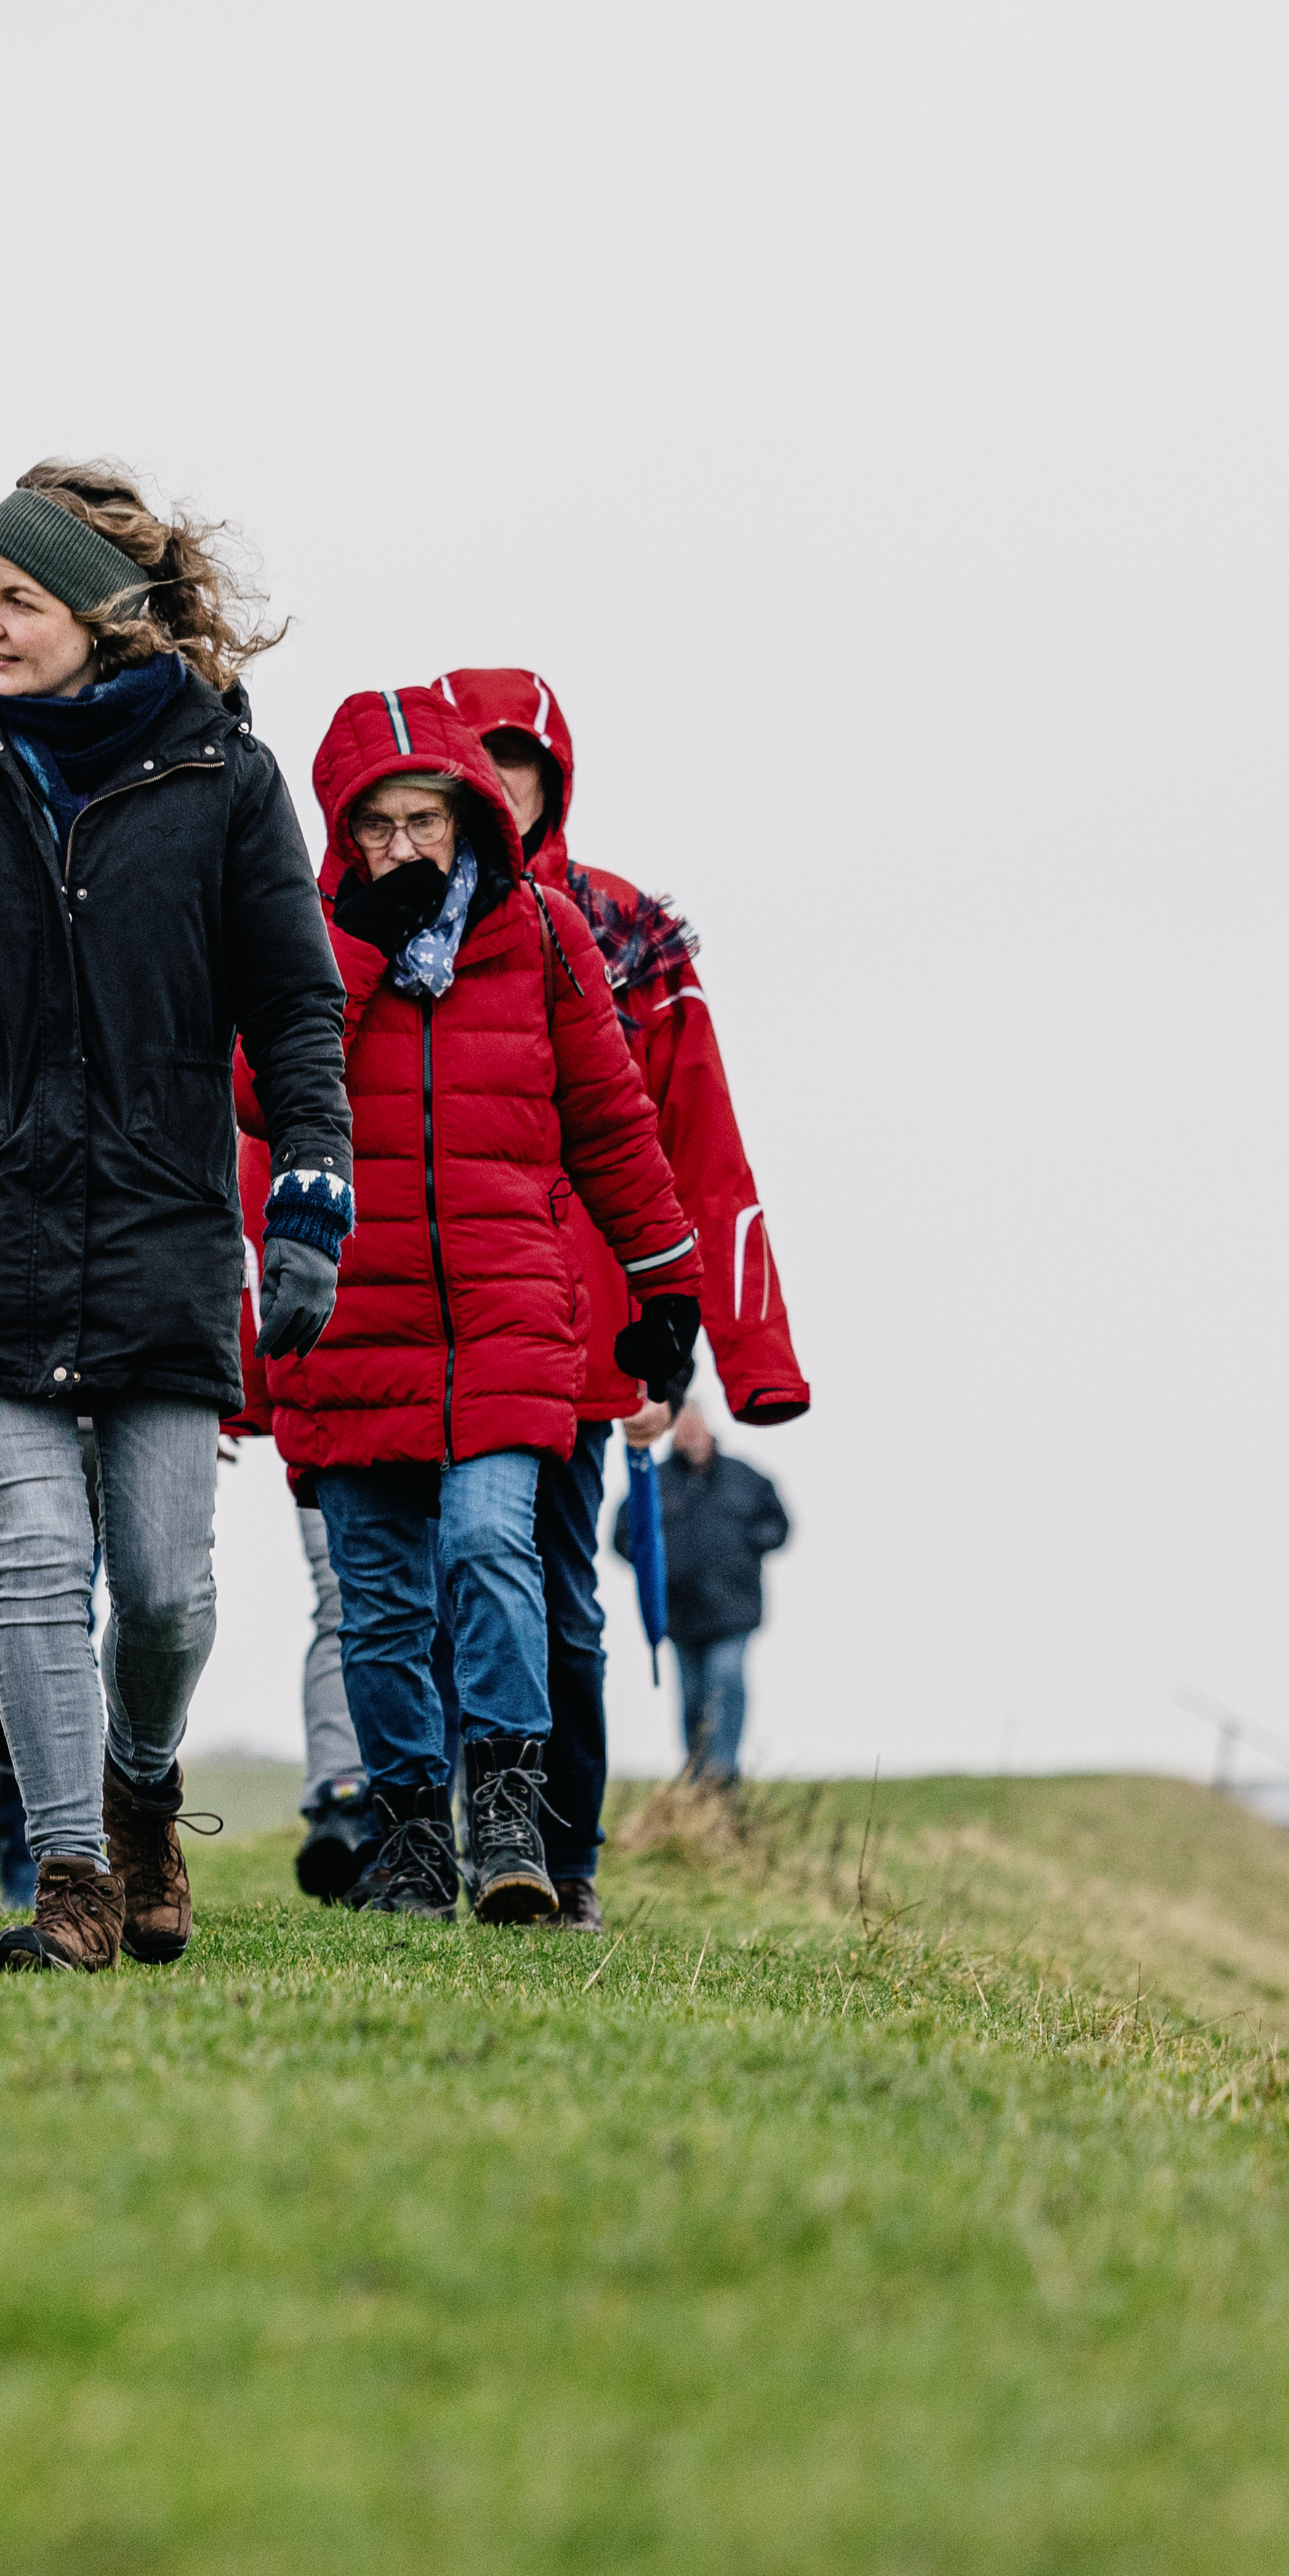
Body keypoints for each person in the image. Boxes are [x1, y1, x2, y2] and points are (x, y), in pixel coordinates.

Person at [0, 463, 353, 1977]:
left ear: (102, 615)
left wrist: (309, 1181)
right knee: (37, 1556)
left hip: (166, 1227)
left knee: (164, 1586)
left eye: (13, 596)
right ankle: (70, 1877)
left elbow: (296, 1002)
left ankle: (142, 1788)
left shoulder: (226, 779)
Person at [255, 683, 704, 1923]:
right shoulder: (306, 934)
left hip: (510, 1313)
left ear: (469, 820)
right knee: (383, 1598)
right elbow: (258, 1093)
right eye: (377, 826)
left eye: (426, 820)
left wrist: (669, 1285)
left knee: (493, 1549)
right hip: (355, 1320)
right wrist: (355, 945)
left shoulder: (546, 934)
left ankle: (507, 1810)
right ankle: (410, 1829)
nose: (404, 848)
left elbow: (612, 1118)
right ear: (342, 836)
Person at [401, 669, 817, 1926]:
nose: (496, 785)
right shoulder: (369, 927)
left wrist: (737, 1354)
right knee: (427, 1579)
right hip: (416, 1318)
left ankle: (557, 1855)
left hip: (574, 1328)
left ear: (550, 779)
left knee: (557, 1589)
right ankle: (431, 1837)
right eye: (475, 760)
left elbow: (699, 1146)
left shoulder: (626, 938)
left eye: (519, 762)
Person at [657, 1412, 791, 1787]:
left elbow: (778, 1525)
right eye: (683, 1428)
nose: (691, 1435)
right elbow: (625, 1534)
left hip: (733, 1608)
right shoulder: (657, 1481)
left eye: (695, 1426)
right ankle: (697, 1774)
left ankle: (723, 1771)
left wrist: (748, 1545)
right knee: (692, 1697)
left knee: (727, 1680)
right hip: (679, 1612)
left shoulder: (745, 1477)